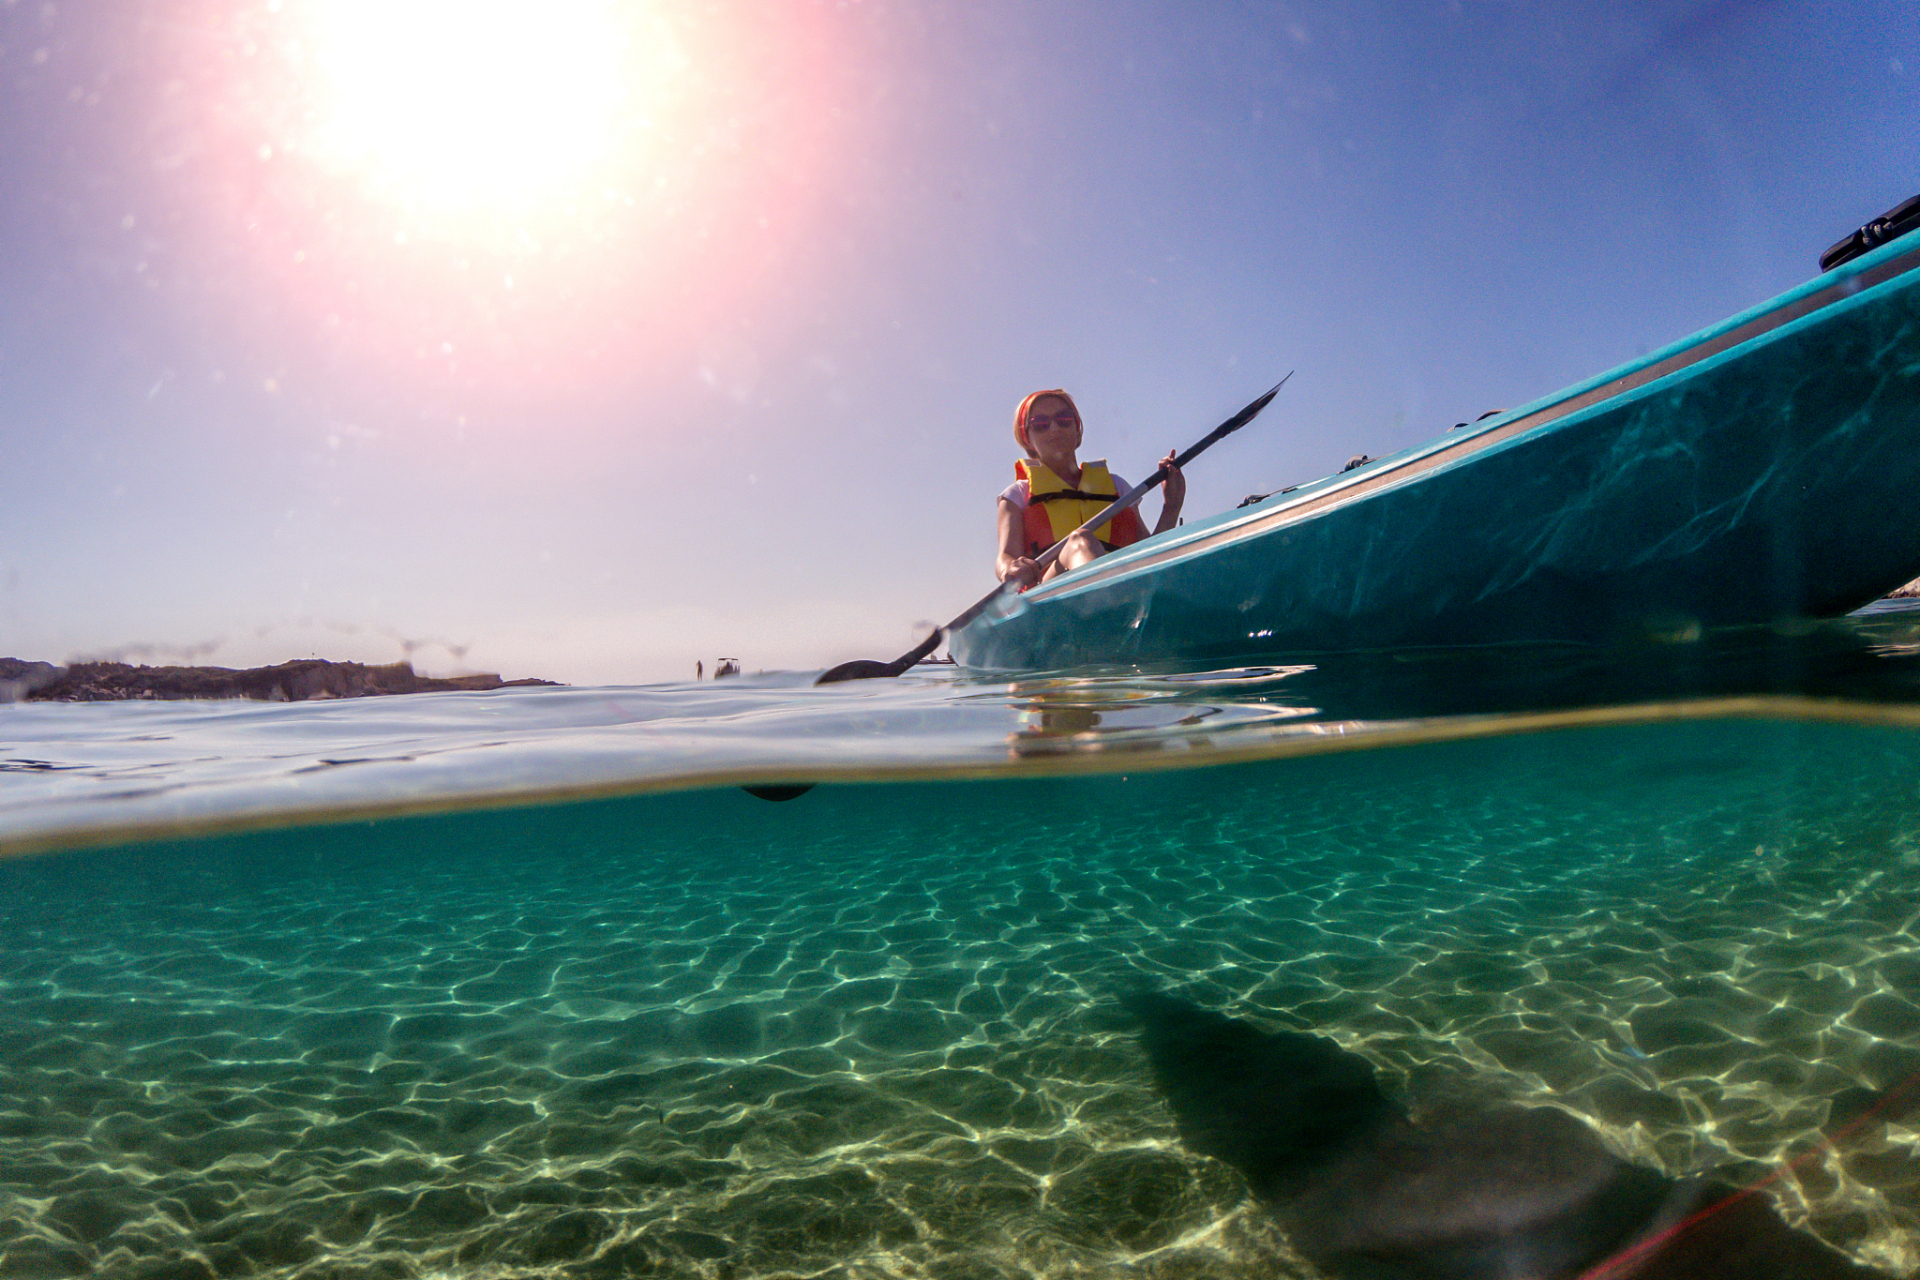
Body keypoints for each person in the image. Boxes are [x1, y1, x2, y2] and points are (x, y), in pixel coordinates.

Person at [995, 388, 1184, 589]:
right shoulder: (1017, 495)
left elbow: (1149, 556)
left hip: (1124, 589)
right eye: (1040, 424)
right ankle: (1110, 601)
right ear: (1027, 439)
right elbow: (1005, 557)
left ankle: (1112, 601)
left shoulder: (1117, 487)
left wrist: (1171, 506)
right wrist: (1009, 569)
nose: (1054, 428)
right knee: (1080, 540)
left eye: (1064, 419)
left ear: (1077, 430)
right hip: (1048, 596)